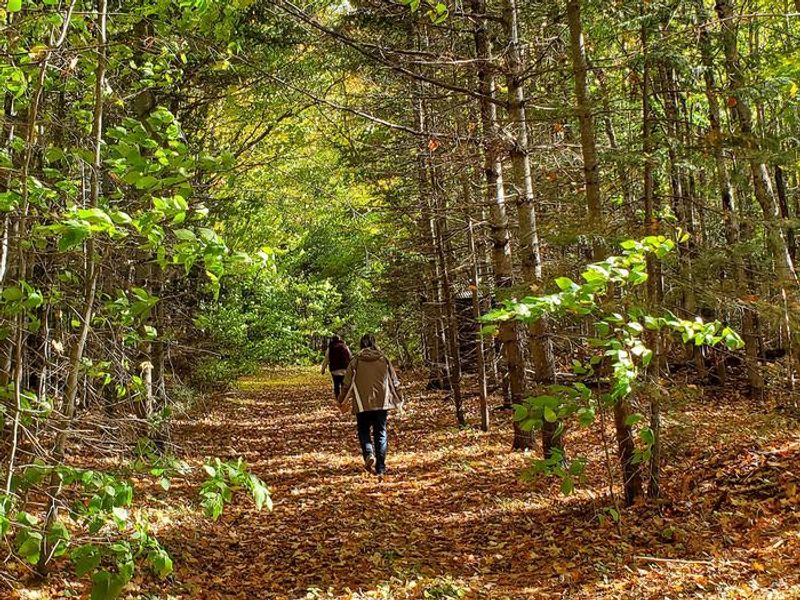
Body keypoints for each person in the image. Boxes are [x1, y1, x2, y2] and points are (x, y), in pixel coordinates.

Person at [338, 333, 403, 477]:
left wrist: (341, 400)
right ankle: (380, 467)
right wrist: (400, 397)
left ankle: (368, 454)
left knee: (363, 430)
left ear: (361, 345)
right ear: (375, 343)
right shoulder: (384, 359)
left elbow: (346, 383)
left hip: (362, 403)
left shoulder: (355, 361)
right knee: (381, 433)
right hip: (382, 403)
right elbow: (394, 380)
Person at [321, 335, 352, 399]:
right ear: (339, 339)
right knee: (344, 384)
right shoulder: (345, 346)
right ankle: (344, 398)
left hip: (334, 370)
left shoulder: (330, 347)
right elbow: (350, 356)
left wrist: (323, 369)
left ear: (332, 340)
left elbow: (326, 359)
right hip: (345, 369)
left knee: (336, 385)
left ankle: (338, 398)